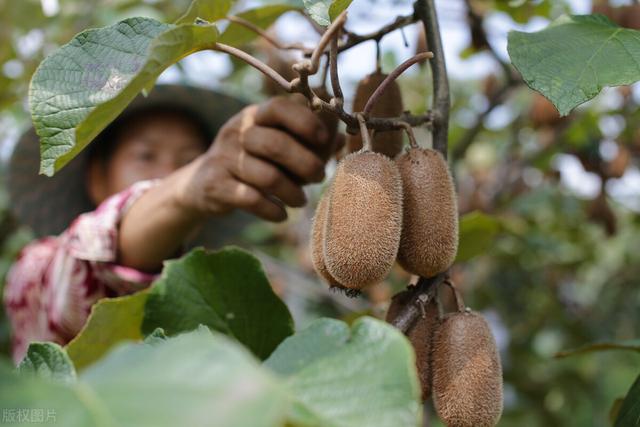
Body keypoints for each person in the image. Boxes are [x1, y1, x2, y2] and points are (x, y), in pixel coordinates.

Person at [4, 84, 337, 362]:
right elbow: (83, 272)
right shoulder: (36, 268)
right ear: (96, 177)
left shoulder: (219, 288)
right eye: (146, 156)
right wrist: (186, 187)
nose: (168, 174)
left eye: (189, 160)